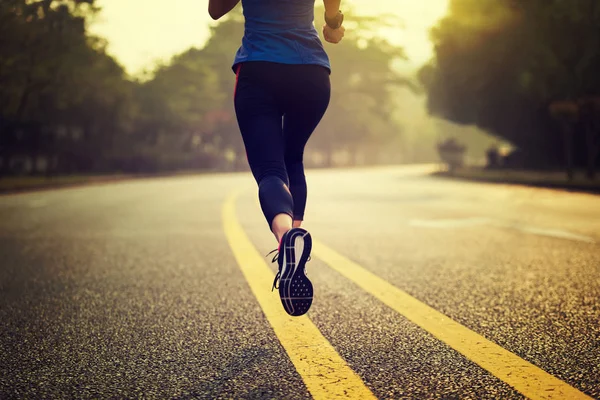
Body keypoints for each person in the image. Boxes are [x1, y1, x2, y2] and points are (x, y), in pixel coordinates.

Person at [209, 0, 345, 317]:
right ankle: (293, 250)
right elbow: (332, 13)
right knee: (292, 157)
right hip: (311, 72)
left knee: (271, 170)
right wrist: (332, 22)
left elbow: (216, 10)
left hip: (259, 71)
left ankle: (287, 238)